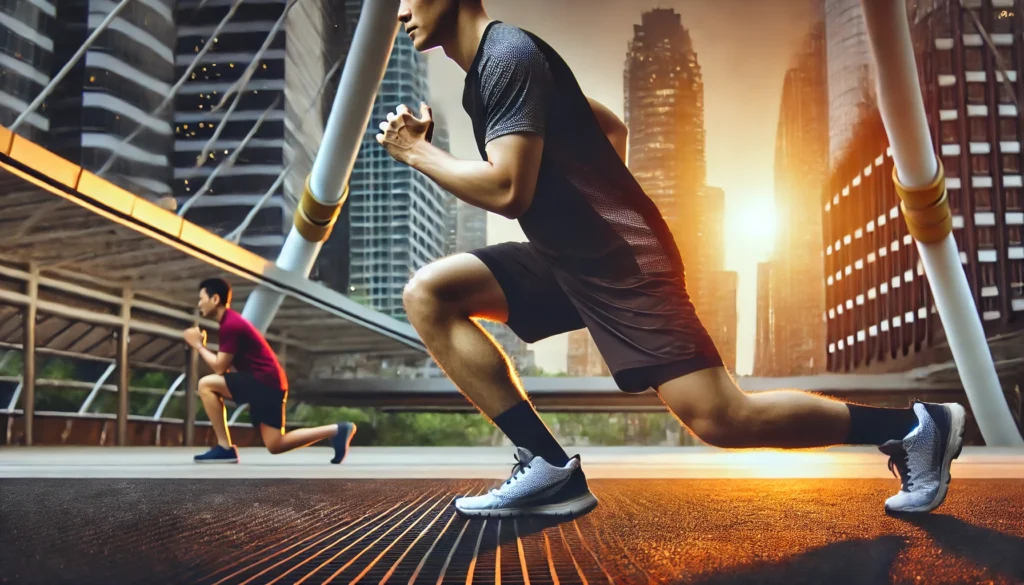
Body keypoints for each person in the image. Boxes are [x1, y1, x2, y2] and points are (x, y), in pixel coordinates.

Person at [377, 0, 966, 519]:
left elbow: (509, 191)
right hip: (571, 259)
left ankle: (913, 428)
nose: (400, 10)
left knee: (721, 418)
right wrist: (594, 201)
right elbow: (607, 126)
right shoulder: (493, 66)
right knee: (432, 293)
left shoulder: (506, 56)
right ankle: (546, 467)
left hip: (620, 265)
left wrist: (418, 152)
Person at [184, 278, 357, 464]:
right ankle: (337, 430)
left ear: (215, 299)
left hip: (262, 381)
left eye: (202, 298)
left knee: (206, 384)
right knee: (276, 444)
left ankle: (225, 447)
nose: (199, 303)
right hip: (270, 383)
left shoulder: (231, 325)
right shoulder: (230, 323)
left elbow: (220, 367)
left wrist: (198, 346)